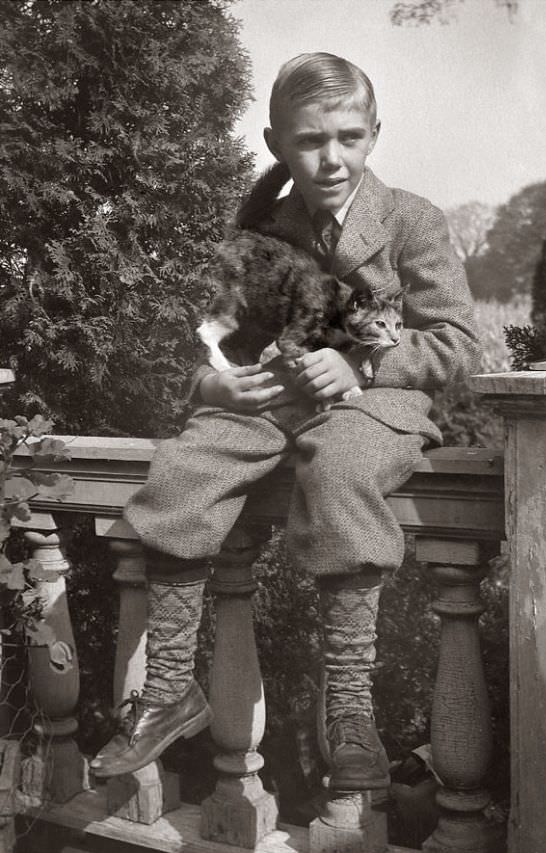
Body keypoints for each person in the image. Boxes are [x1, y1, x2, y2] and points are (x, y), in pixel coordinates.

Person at [90, 52, 480, 791]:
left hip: (375, 403)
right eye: (310, 140)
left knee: (341, 472)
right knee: (184, 468)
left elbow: (458, 343)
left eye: (350, 136)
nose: (332, 157)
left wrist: (362, 367)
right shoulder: (261, 233)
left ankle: (350, 710)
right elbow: (206, 342)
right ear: (276, 144)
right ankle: (170, 691)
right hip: (275, 397)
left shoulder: (412, 222)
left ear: (374, 134)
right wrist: (216, 382)